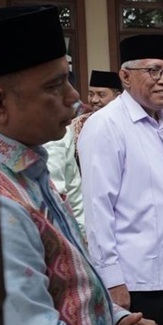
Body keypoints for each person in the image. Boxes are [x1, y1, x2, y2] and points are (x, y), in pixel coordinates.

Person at [0, 5, 157, 325]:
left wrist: (111, 316)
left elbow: (63, 285)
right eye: (54, 86)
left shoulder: (30, 170)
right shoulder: (0, 204)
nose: (75, 97)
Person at [77, 34, 163, 325]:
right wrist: (112, 281)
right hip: (134, 282)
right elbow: (98, 209)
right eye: (153, 71)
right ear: (125, 77)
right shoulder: (105, 126)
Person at [43, 69, 122, 231]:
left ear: (117, 96)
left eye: (101, 95)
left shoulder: (128, 127)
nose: (94, 100)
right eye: (91, 94)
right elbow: (70, 186)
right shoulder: (74, 126)